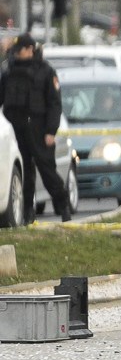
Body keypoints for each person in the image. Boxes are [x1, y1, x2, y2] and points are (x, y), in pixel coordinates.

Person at [2, 35, 70, 222]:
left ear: (31, 49)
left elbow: (54, 104)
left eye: (21, 49)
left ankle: (63, 205)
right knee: (24, 173)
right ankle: (27, 213)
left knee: (47, 171)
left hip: (39, 129)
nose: (18, 53)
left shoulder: (46, 71)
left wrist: (51, 131)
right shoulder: (9, 71)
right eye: (16, 50)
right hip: (16, 129)